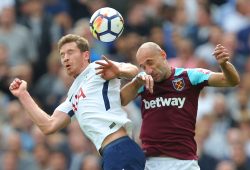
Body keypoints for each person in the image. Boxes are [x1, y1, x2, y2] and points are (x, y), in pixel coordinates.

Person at [9, 34, 146, 170]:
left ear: (86, 55)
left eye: (70, 52)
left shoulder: (97, 68)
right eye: (62, 55)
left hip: (120, 147)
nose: (65, 58)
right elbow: (49, 125)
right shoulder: (72, 94)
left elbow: (133, 70)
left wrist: (119, 71)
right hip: (110, 153)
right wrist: (23, 94)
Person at [97, 42, 240, 170]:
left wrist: (224, 65)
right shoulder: (144, 82)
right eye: (143, 66)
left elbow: (230, 81)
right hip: (150, 162)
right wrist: (135, 83)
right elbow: (121, 100)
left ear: (163, 55)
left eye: (150, 62)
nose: (149, 70)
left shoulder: (188, 76)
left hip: (184, 162)